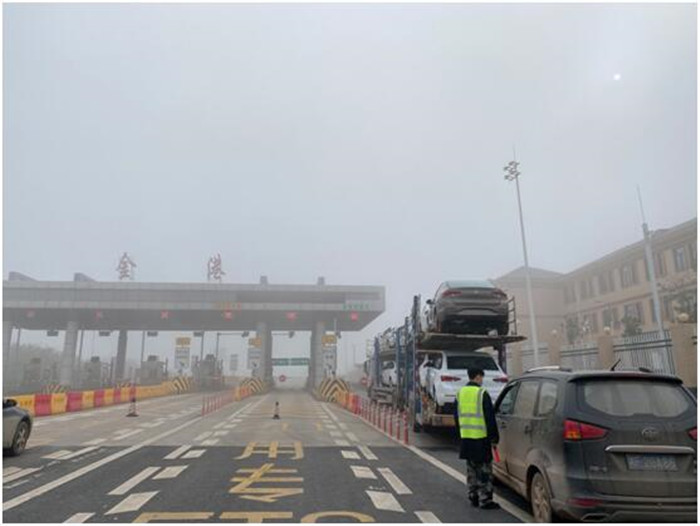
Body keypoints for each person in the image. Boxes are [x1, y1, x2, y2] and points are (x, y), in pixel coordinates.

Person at [454, 368, 500, 510]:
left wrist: (460, 433)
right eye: (482, 377)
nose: (482, 380)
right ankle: (485, 499)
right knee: (484, 471)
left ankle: (473, 495)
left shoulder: (460, 393)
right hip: (481, 438)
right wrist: (494, 437)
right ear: (478, 377)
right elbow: (489, 418)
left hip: (466, 437)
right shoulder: (482, 393)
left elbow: (456, 416)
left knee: (471, 469)